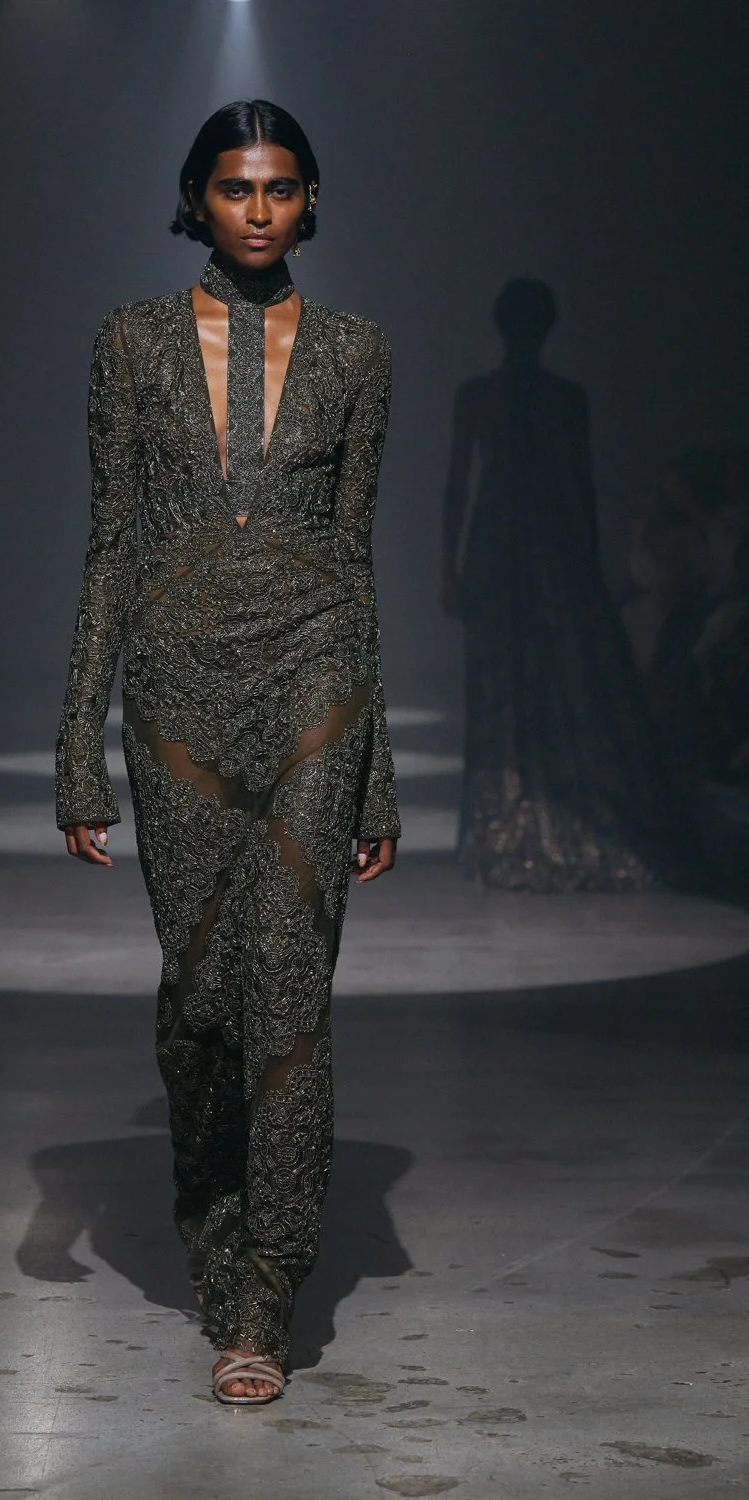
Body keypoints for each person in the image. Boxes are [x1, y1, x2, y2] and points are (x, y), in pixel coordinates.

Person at [55, 101, 399, 1404]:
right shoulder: (130, 342)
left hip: (315, 684)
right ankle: (214, 1238)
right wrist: (77, 741)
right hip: (178, 696)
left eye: (282, 188)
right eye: (236, 187)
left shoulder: (358, 350)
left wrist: (374, 771)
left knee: (289, 992)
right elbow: (110, 544)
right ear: (196, 197)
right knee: (201, 998)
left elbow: (355, 556)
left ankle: (266, 1297)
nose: (259, 209)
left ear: (310, 202)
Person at [441, 279, 674, 891]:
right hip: (543, 546)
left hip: (507, 545)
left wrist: (450, 569)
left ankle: (508, 819)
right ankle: (523, 812)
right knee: (539, 676)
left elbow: (459, 488)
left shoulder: (485, 395)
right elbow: (578, 487)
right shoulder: (562, 397)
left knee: (508, 681)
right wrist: (588, 566)